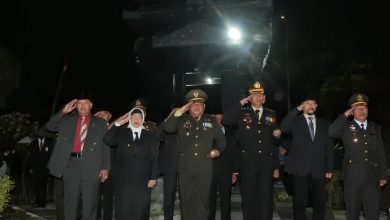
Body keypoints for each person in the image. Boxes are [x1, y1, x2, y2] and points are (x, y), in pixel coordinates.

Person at [163, 89, 226, 220]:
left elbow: (222, 140)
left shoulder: (211, 120)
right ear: (188, 107)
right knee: (186, 201)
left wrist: (217, 151)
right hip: (186, 168)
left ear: (204, 106)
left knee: (203, 202)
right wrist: (179, 111)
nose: (196, 107)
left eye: (199, 104)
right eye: (193, 104)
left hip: (205, 168)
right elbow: (167, 128)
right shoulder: (181, 120)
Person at [46, 94, 111, 220]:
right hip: (70, 166)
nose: (82, 106)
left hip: (92, 166)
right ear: (75, 106)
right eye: (79, 103)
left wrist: (105, 167)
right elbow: (50, 127)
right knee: (70, 203)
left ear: (91, 105)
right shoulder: (67, 120)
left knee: (90, 204)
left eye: (85, 103)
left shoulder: (101, 123)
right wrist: (62, 112)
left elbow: (105, 146)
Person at [222, 80, 280, 220]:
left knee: (266, 197)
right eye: (254, 95)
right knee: (249, 197)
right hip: (247, 163)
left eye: (261, 95)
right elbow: (226, 120)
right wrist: (241, 103)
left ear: (264, 98)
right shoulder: (242, 112)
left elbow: (274, 144)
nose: (258, 98)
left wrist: (276, 165)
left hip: (266, 164)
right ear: (249, 97)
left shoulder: (271, 114)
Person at [328, 93, 388, 220]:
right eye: (358, 108)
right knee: (353, 213)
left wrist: (383, 174)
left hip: (373, 177)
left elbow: (380, 152)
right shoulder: (345, 127)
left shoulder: (375, 128)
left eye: (364, 108)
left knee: (373, 213)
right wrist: (344, 115)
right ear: (352, 111)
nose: (362, 111)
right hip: (353, 177)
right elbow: (331, 131)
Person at [280, 94, 334, 220]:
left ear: (316, 106)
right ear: (302, 106)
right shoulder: (295, 122)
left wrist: (330, 169)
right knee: (299, 203)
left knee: (320, 203)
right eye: (307, 103)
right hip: (300, 169)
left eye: (313, 103)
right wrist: (296, 110)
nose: (311, 105)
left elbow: (329, 148)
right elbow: (283, 127)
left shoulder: (324, 124)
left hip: (319, 170)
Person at [103, 107, 158, 220]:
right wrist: (117, 124)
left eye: (139, 117)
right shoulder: (121, 133)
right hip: (123, 180)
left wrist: (153, 177)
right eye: (133, 117)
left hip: (143, 180)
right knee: (123, 209)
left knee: (141, 209)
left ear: (143, 119)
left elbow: (154, 157)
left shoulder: (150, 135)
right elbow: (107, 140)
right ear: (129, 119)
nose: (136, 119)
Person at [208, 114, 237, 220]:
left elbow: (234, 153)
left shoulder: (231, 133)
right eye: (216, 118)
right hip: (211, 171)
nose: (219, 120)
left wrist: (234, 172)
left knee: (226, 201)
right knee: (210, 201)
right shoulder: (207, 132)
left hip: (226, 171)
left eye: (221, 118)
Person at [158, 109, 180, 220]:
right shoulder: (166, 129)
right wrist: (168, 117)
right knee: (169, 195)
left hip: (186, 166)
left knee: (187, 196)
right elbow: (156, 136)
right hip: (170, 166)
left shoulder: (186, 125)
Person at [27, 126, 55, 208]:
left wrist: (50, 168)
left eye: (43, 132)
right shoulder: (33, 143)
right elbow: (30, 156)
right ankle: (36, 202)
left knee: (43, 186)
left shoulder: (50, 142)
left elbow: (51, 156)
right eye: (39, 132)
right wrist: (30, 167)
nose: (41, 134)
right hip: (35, 169)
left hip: (45, 169)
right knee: (36, 186)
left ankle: (42, 203)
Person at [94, 110, 115, 220]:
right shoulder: (91, 129)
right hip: (95, 168)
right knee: (95, 196)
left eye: (104, 113)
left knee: (108, 196)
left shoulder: (115, 129)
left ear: (110, 116)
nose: (101, 115)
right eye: (99, 114)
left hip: (111, 168)